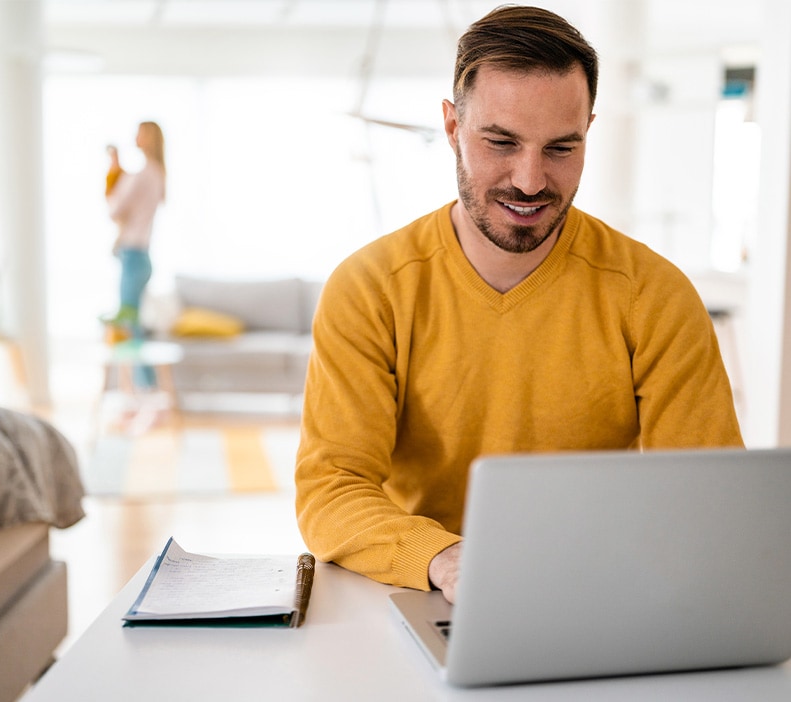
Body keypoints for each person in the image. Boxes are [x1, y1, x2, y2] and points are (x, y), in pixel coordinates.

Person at [294, 5, 743, 605]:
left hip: (600, 595)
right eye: (501, 142)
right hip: (418, 590)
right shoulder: (370, 288)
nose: (530, 181)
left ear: (588, 131)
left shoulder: (654, 296)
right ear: (453, 127)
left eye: (561, 148)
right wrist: (448, 561)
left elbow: (706, 499)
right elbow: (333, 486)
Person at [105, 120, 166, 339]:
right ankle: (142, 375)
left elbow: (115, 210)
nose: (135, 138)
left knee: (128, 323)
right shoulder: (157, 173)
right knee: (133, 322)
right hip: (140, 255)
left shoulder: (143, 174)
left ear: (149, 138)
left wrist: (113, 174)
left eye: (140, 134)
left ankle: (142, 375)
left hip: (133, 254)